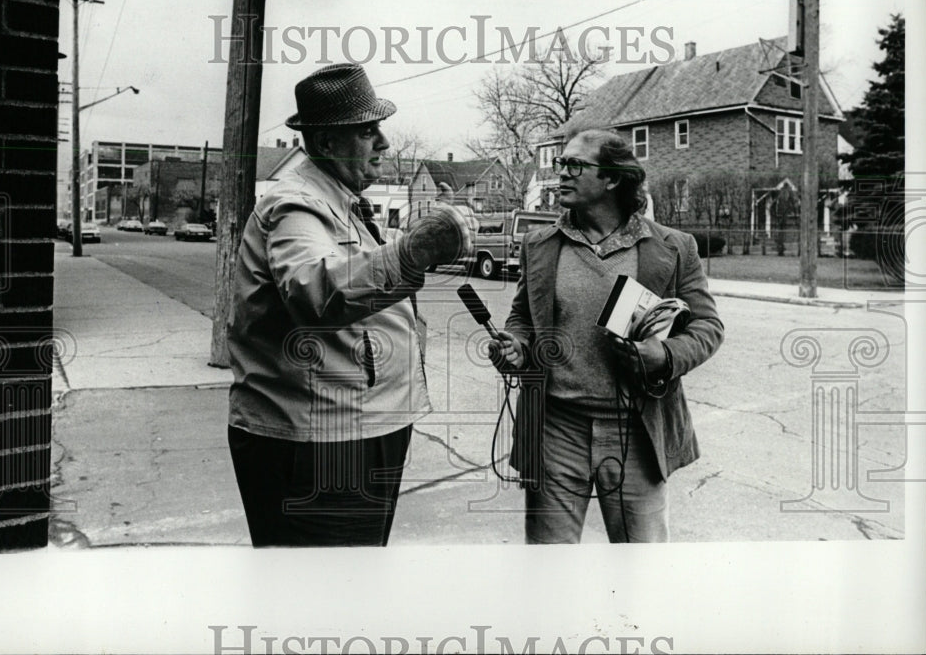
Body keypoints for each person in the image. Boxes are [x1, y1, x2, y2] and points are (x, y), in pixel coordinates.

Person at [226, 63, 471, 547]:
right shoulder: (296, 204)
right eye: (366, 130)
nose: (383, 142)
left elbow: (356, 271)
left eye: (378, 128)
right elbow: (316, 290)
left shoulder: (336, 199)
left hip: (352, 428)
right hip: (324, 443)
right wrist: (417, 248)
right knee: (330, 597)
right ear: (323, 144)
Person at [488, 129, 723, 543]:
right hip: (555, 428)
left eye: (574, 165)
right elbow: (523, 316)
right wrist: (517, 346)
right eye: (561, 164)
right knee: (548, 563)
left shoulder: (672, 246)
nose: (561, 173)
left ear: (612, 179)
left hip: (637, 429)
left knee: (640, 567)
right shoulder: (540, 244)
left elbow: (708, 327)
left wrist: (664, 355)